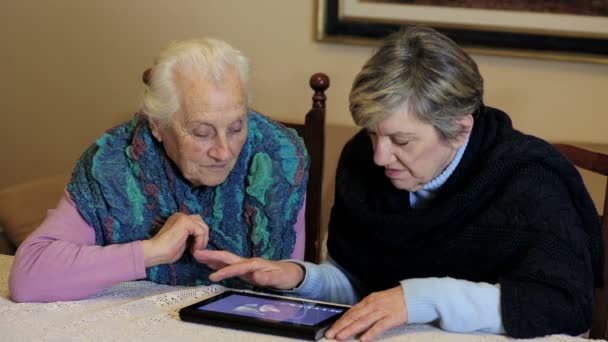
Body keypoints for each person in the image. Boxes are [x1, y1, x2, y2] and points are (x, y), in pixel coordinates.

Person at [192, 26, 604, 341]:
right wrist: (298, 278)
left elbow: (566, 307)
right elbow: (363, 289)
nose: (379, 157)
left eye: (401, 140)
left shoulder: (530, 179)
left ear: (460, 129)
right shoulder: (362, 159)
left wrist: (418, 298)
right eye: (372, 133)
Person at [9, 38, 309, 302]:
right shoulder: (111, 165)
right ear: (157, 126)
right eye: (201, 132)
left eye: (236, 127)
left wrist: (289, 275)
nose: (224, 151)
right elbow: (29, 278)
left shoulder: (278, 159)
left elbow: (290, 287)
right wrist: (151, 251)